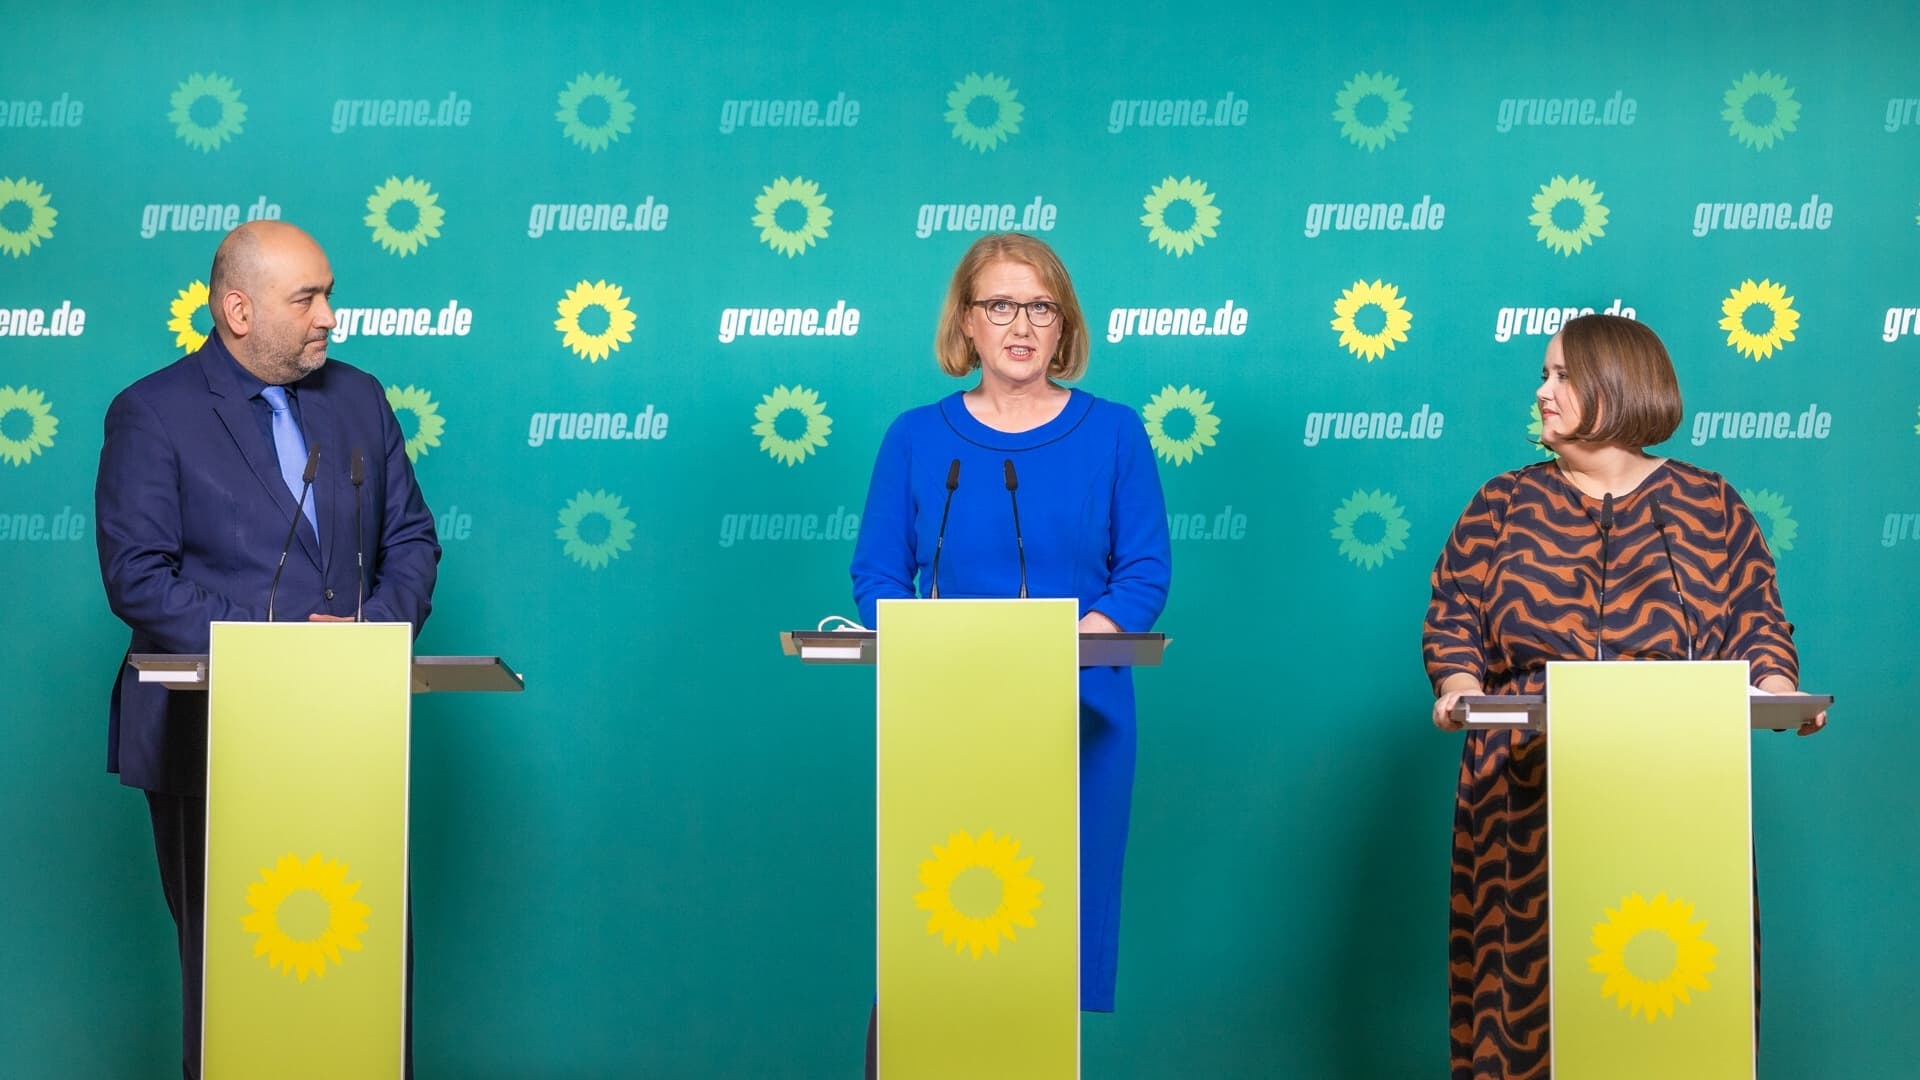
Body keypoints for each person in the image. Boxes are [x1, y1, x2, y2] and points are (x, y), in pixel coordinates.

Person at [1423, 313, 1823, 1079]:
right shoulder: (1501, 503)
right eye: (1543, 376)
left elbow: (1757, 617)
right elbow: (1455, 617)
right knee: (1530, 999)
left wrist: (1777, 688)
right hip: (1523, 785)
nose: (1543, 392)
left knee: (1670, 993)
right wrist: (1461, 687)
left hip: (1675, 776)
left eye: (1561, 376)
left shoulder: (1712, 504)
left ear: (1617, 384)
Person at [95, 220, 439, 1079]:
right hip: (212, 743)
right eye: (308, 298)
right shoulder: (152, 412)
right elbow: (139, 578)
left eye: (330, 294)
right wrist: (285, 646)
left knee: (360, 982)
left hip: (349, 737)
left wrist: (369, 638)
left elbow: (413, 541)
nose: (330, 317)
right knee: (238, 992)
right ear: (238, 309)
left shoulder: (359, 398)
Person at [850, 232, 1172, 1064]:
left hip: (1077, 715)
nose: (1021, 325)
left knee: (1040, 941)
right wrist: (951, 651)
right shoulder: (917, 439)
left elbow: (1142, 573)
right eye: (1000, 305)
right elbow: (878, 577)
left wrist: (1055, 650)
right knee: (938, 940)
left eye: (1041, 307)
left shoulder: (1116, 434)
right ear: (967, 323)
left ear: (1064, 326)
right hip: (947, 717)